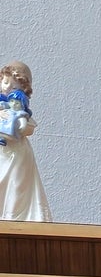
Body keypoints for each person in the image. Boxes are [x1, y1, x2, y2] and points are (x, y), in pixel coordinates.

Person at [0, 61, 51, 222]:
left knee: (16, 185)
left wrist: (17, 122)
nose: (8, 88)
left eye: (14, 87)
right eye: (5, 82)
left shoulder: (20, 110)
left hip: (17, 154)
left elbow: (29, 128)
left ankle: (13, 219)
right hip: (2, 151)